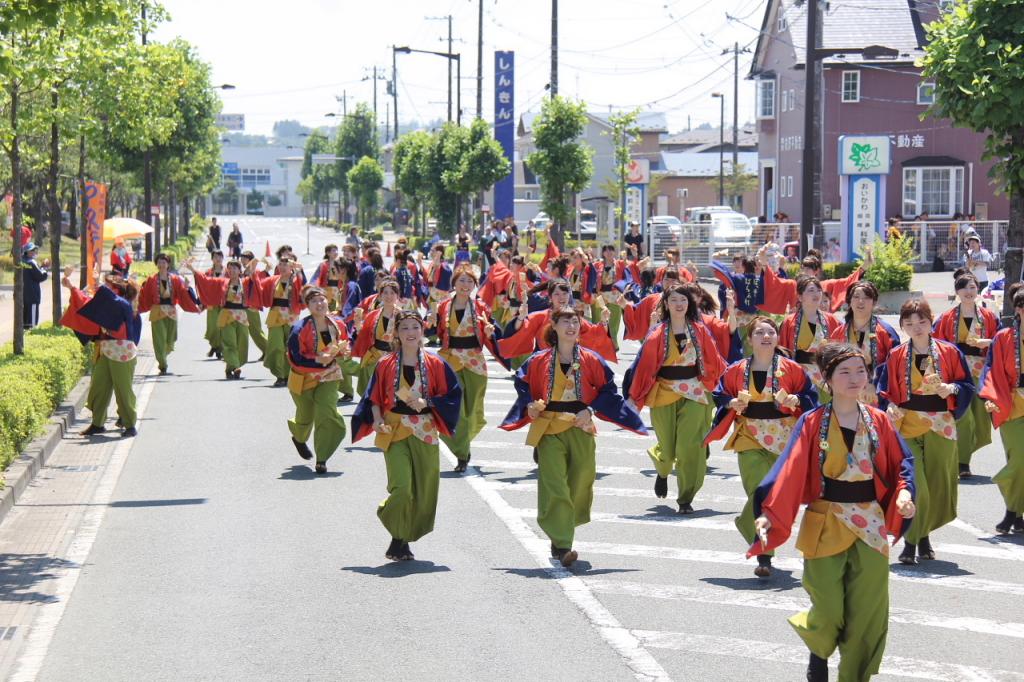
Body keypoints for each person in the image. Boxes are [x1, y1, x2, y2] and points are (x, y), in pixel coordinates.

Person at [753, 343, 916, 682]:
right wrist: (769, 511)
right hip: (826, 519)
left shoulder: (880, 421)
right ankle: (819, 647)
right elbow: (790, 469)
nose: (855, 378)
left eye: (861, 371)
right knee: (827, 608)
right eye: (845, 371)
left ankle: (854, 676)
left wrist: (903, 496)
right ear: (826, 378)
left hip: (870, 524)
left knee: (867, 614)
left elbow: (902, 466)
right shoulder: (813, 422)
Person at [501, 306, 646, 566]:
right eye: (565, 321)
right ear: (553, 326)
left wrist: (590, 410)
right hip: (550, 427)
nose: (571, 325)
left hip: (581, 426)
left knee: (581, 480)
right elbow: (522, 382)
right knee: (554, 483)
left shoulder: (591, 358)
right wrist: (529, 404)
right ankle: (562, 543)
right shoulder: (539, 359)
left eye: (575, 321)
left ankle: (564, 527)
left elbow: (607, 390)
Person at [704, 316, 815, 577]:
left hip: (784, 439)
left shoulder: (792, 369)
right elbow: (719, 394)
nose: (766, 336)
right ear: (750, 339)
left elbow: (810, 397)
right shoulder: (736, 369)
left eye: (771, 332)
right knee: (758, 490)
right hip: (749, 436)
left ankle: (749, 525)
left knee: (774, 496)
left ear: (777, 338)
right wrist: (732, 403)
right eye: (759, 332)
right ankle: (765, 554)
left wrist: (796, 398)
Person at [351, 311, 461, 561]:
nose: (410, 332)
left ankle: (399, 541)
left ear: (422, 331)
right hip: (395, 429)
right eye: (405, 328)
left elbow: (452, 396)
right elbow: (373, 397)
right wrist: (377, 419)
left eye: (415, 327)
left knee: (423, 492)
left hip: (425, 430)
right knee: (402, 488)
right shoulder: (386, 363)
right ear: (397, 334)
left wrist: (428, 402)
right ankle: (391, 520)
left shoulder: (436, 363)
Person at [881, 299, 974, 565]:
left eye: (921, 321)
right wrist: (888, 405)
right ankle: (911, 541)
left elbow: (966, 384)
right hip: (908, 424)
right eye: (909, 323)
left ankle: (923, 536)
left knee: (937, 486)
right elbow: (885, 389)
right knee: (916, 485)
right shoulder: (897, 354)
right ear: (903, 326)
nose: (916, 327)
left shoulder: (949, 351)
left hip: (941, 425)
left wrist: (952, 389)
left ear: (931, 321)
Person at [623, 284, 727, 513]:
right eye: (674, 300)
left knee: (690, 446)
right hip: (664, 392)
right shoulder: (657, 334)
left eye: (683, 300)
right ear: (666, 305)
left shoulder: (699, 331)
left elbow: (716, 361)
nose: (679, 304)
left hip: (696, 392)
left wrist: (730, 384)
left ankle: (685, 498)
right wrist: (634, 398)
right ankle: (662, 471)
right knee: (668, 450)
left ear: (689, 303)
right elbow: (644, 368)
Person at [429, 265, 505, 472]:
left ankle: (464, 443)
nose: (465, 285)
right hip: (451, 360)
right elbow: (433, 331)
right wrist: (429, 323)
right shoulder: (443, 306)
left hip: (475, 362)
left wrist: (491, 332)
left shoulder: (481, 307)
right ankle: (462, 453)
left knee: (473, 411)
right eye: (462, 280)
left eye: (470, 281)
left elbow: (495, 331)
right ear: (454, 282)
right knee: (454, 408)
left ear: (474, 285)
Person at [60, 267, 142, 437]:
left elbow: (110, 300)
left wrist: (98, 284)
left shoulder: (124, 305)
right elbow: (84, 302)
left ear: (117, 290)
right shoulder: (109, 304)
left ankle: (130, 425)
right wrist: (71, 287)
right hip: (105, 350)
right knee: (99, 387)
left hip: (122, 352)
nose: (105, 290)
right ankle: (97, 423)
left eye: (109, 286)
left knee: (123, 390)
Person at [932, 272, 998, 478]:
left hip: (981, 370)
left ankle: (963, 451)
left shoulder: (989, 316)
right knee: (964, 416)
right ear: (957, 292)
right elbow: (935, 344)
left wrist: (987, 342)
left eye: (972, 287)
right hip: (958, 371)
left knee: (980, 418)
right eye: (964, 288)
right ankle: (962, 462)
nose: (969, 292)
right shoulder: (947, 318)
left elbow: (1002, 342)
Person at [286, 287, 351, 475]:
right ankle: (299, 437)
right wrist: (316, 360)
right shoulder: (299, 328)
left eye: (322, 299)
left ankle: (322, 458)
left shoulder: (337, 325)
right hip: (304, 377)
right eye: (314, 301)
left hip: (329, 375)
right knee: (305, 417)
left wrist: (344, 352)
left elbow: (344, 343)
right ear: (308, 306)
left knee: (325, 411)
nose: (319, 304)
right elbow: (295, 357)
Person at [979, 283, 1024, 534]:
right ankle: (1011, 512)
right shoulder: (1004, 337)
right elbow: (992, 372)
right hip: (1013, 404)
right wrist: (992, 398)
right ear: (1018, 309)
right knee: (1019, 460)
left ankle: (1015, 515)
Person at [498, 279, 615, 366]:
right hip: (543, 364)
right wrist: (521, 317)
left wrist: (604, 321)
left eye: (564, 294)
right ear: (550, 297)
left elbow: (595, 334)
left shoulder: (575, 318)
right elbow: (522, 329)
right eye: (557, 294)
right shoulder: (541, 317)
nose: (561, 297)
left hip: (571, 365)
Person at [185, 256, 265, 380]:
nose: (232, 271)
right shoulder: (222, 282)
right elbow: (206, 280)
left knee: (242, 343)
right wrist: (192, 269)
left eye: (235, 268)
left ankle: (230, 368)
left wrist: (253, 268)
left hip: (242, 317)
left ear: (239, 271)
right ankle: (235, 366)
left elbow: (256, 283)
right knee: (229, 343)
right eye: (230, 268)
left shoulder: (245, 282)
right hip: (226, 315)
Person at [829, 281, 901, 400]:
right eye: (856, 297)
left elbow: (895, 363)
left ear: (874, 302)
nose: (860, 301)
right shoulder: (838, 333)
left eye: (866, 297)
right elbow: (831, 364)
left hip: (875, 393)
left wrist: (875, 383)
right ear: (849, 301)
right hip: (845, 393)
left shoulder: (885, 332)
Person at [136, 253, 200, 375]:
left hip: (171, 311)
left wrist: (186, 287)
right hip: (157, 311)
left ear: (168, 264)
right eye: (159, 262)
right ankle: (162, 363)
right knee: (159, 339)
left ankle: (163, 356)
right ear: (157, 264)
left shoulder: (175, 279)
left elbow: (182, 292)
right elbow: (144, 295)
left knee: (172, 338)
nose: (161, 265)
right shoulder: (151, 280)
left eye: (164, 262)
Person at [779, 277, 841, 397]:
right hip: (800, 375)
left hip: (824, 374)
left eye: (819, 290)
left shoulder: (832, 320)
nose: (816, 293)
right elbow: (783, 351)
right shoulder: (789, 322)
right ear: (800, 297)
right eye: (811, 290)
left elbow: (840, 348)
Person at [351, 279, 402, 396]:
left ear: (397, 295)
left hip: (392, 356)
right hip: (374, 355)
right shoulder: (374, 314)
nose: (389, 296)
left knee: (387, 389)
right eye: (385, 293)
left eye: (392, 293)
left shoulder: (402, 315)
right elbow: (364, 333)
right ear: (380, 295)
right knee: (369, 388)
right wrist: (358, 324)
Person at [260, 257, 305, 387]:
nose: (283, 266)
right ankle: (279, 375)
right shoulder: (274, 280)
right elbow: (258, 284)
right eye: (281, 264)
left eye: (286, 264)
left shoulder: (296, 279)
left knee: (289, 347)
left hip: (291, 316)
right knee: (275, 346)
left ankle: (287, 375)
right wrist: (254, 272)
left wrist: (300, 271)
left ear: (291, 266)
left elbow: (304, 288)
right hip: (275, 315)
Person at [238, 251, 268, 359]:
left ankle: (269, 350)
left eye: (245, 259)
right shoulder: (241, 272)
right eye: (242, 258)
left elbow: (259, 282)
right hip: (241, 306)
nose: (242, 261)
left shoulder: (255, 272)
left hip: (251, 306)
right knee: (242, 331)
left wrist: (253, 268)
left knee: (255, 331)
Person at [203, 250, 226, 359]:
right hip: (211, 304)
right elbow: (203, 287)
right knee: (212, 327)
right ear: (212, 259)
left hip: (224, 304)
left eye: (220, 257)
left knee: (221, 327)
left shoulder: (228, 272)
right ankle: (215, 346)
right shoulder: (208, 273)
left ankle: (218, 349)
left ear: (223, 258)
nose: (218, 259)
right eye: (215, 257)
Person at [20, 242, 48, 329]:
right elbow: (41, 276)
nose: (34, 252)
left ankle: (25, 330)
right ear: (27, 252)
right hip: (32, 294)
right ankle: (32, 331)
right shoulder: (32, 262)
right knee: (32, 321)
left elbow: (31, 272)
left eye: (34, 250)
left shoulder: (21, 261)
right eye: (32, 250)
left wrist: (41, 266)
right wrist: (44, 268)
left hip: (23, 294)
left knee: (25, 316)